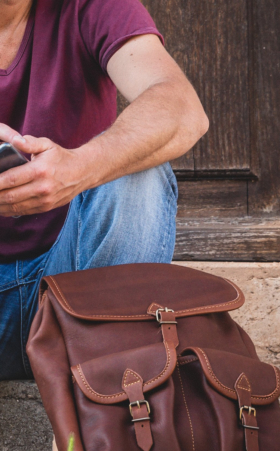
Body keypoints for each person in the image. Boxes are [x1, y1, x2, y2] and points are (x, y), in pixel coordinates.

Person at [0, 0, 209, 380]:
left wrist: (77, 169)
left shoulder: (90, 5)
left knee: (138, 174)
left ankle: (113, 403)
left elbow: (183, 110)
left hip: (71, 290)